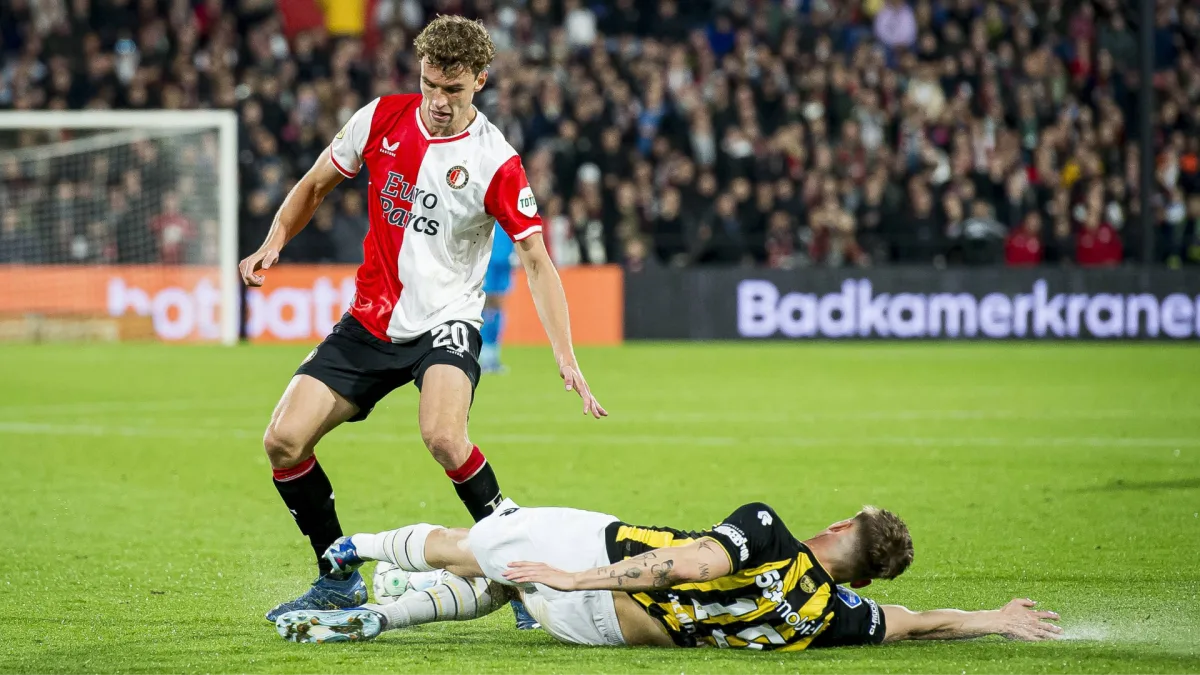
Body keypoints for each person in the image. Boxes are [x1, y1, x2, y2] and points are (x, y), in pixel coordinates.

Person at [238, 16, 607, 627]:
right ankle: (337, 579)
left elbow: (537, 261)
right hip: (369, 320)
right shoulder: (379, 118)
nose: (439, 101)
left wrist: (565, 356)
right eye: (431, 84)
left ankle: (516, 577)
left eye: (454, 90)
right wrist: (274, 241)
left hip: (448, 321)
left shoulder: (496, 161)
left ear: (480, 82)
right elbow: (315, 184)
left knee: (442, 436)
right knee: (283, 442)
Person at [274, 501, 1063, 649]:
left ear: (839, 530)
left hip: (600, 564)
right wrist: (994, 616)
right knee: (507, 585)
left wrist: (581, 574)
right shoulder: (837, 617)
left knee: (476, 543)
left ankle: (358, 548)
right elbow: (916, 620)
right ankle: (392, 616)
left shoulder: (770, 533)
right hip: (612, 637)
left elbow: (688, 562)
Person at [479, 221, 513, 373]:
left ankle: (492, 354)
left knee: (497, 304)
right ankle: (481, 353)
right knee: (484, 303)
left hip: (505, 259)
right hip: (488, 258)